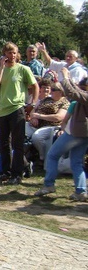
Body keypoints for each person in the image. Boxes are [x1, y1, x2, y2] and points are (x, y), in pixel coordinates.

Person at [34, 68, 88, 201]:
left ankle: (49, 185)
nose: (81, 88)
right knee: (76, 161)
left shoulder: (86, 96)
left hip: (76, 132)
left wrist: (65, 76)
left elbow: (72, 92)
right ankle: (80, 191)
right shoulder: (84, 95)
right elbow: (76, 91)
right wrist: (69, 79)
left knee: (52, 155)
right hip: (84, 134)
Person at [0, 42, 39, 185]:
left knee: (17, 144)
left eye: (14, 53)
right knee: (4, 144)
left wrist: (32, 104)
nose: (12, 56)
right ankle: (6, 172)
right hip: (1, 110)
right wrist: (1, 68)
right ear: (4, 54)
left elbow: (35, 86)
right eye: (9, 53)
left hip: (17, 109)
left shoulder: (23, 69)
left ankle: (17, 174)